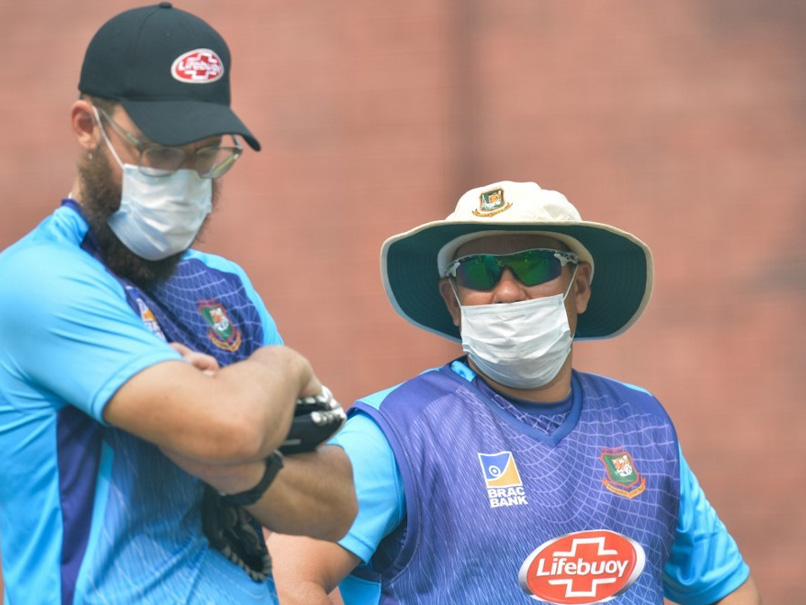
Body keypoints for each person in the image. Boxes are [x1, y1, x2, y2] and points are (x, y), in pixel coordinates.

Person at [0, 4, 356, 604]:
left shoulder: (225, 285)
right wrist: (280, 369)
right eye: (162, 154)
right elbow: (234, 425)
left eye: (207, 155)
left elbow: (337, 504)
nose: (188, 179)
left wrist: (239, 467)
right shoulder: (34, 280)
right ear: (88, 126)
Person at [268, 181, 762, 604]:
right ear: (452, 301)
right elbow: (288, 573)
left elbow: (726, 587)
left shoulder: (643, 423)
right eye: (477, 273)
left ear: (581, 286)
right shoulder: (398, 429)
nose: (506, 292)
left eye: (533, 266)